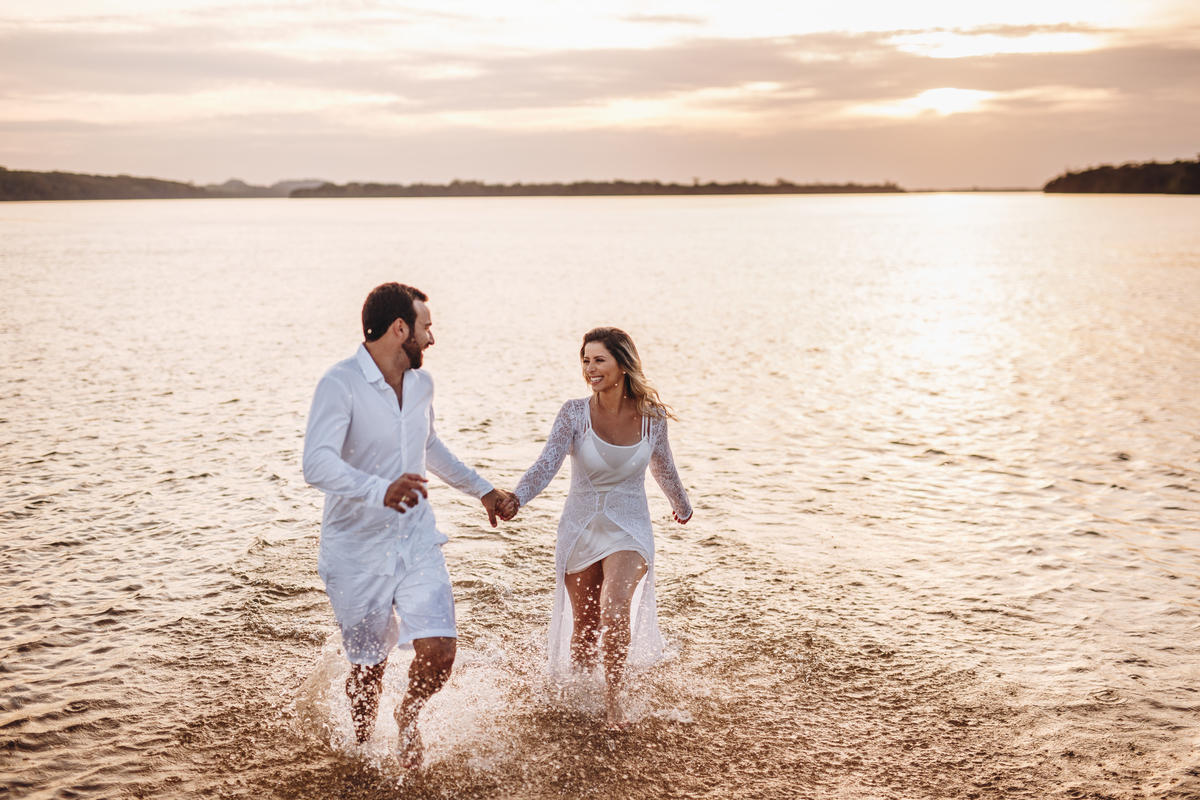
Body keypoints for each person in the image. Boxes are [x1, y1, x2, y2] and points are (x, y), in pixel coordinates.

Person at [302, 282, 515, 769]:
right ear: (401, 328)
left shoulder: (422, 385)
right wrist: (380, 489)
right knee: (369, 667)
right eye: (426, 328)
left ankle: (409, 714)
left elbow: (430, 446)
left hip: (416, 540)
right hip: (354, 551)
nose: (432, 339)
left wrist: (483, 489)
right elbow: (316, 464)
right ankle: (359, 755)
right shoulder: (340, 384)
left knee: (440, 650)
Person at [504, 327, 692, 729]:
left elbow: (664, 467)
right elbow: (546, 465)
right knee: (586, 626)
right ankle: (578, 696)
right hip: (580, 528)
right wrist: (517, 498)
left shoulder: (652, 419)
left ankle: (613, 705)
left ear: (622, 364)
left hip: (630, 528)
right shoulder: (574, 413)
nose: (590, 368)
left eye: (599, 360)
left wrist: (682, 504)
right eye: (586, 360)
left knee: (614, 605)